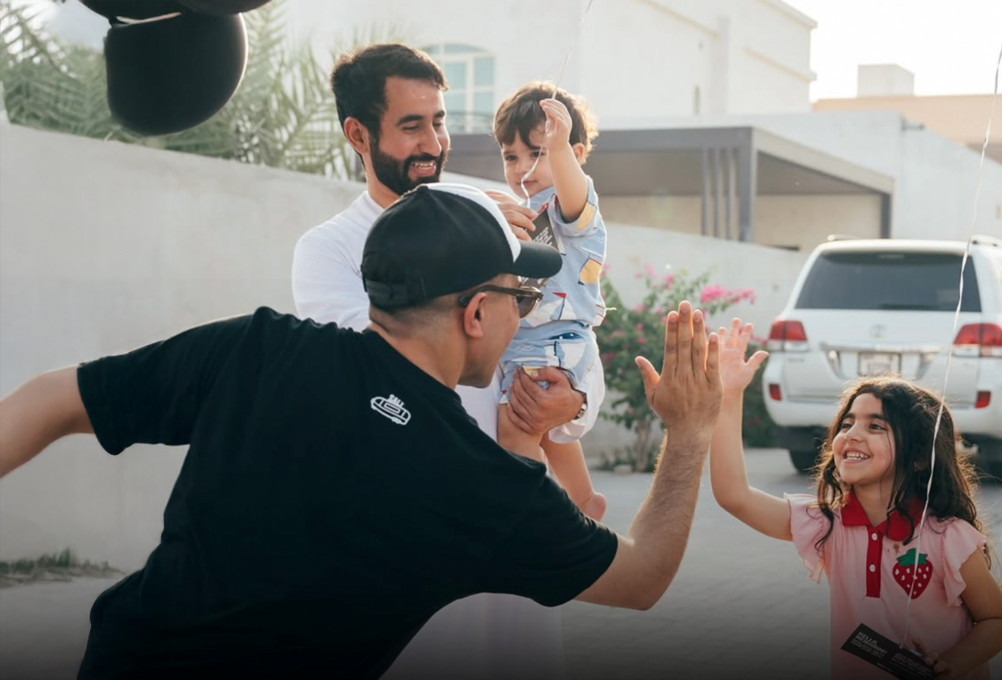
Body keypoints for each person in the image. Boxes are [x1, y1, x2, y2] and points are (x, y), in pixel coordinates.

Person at [0, 183, 724, 680]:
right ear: (474, 313)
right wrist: (689, 432)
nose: (525, 316)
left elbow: (53, 397)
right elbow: (644, 577)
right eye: (521, 298)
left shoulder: (256, 348)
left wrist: (523, 444)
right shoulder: (478, 486)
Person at [289, 43, 598, 679]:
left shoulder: (501, 215)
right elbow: (380, 366)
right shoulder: (329, 251)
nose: (433, 142)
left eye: (439, 121)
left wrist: (573, 402)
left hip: (512, 535)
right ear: (358, 134)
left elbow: (563, 324)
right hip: (409, 547)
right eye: (411, 126)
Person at [707, 320, 1002, 680]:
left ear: (918, 456)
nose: (851, 435)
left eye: (875, 426)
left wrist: (951, 664)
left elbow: (997, 620)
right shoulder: (828, 524)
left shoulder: (948, 536)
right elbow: (734, 496)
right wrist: (728, 399)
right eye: (847, 423)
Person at [491, 82, 608, 521]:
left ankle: (546, 520)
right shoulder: (525, 209)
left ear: (575, 154)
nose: (524, 168)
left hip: (554, 339)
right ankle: (583, 500)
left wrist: (558, 152)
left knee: (516, 428)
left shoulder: (568, 203)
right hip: (535, 341)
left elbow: (574, 195)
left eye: (537, 153)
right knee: (548, 434)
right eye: (511, 156)